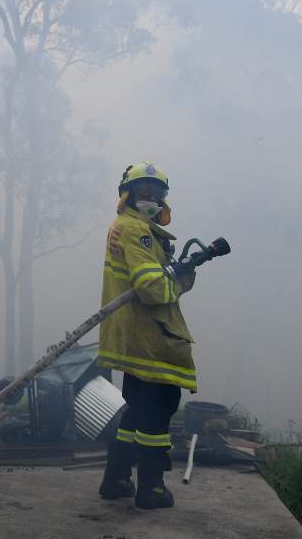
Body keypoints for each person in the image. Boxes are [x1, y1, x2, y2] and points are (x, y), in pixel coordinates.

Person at [97, 162, 197, 509]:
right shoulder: (136, 231)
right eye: (144, 193)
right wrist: (182, 280)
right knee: (157, 414)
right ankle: (151, 488)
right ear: (128, 195)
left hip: (134, 336)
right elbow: (152, 288)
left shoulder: (127, 228)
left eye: (158, 194)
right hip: (151, 338)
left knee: (137, 412)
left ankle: (116, 478)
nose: (151, 200)